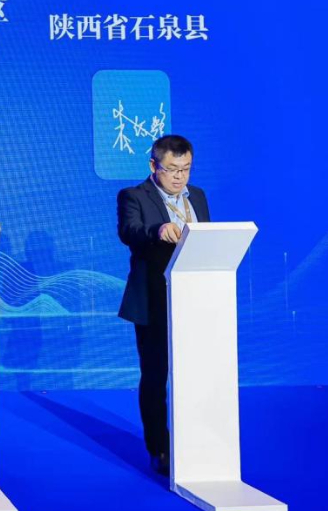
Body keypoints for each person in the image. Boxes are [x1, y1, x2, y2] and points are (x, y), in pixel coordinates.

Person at [117, 134, 210, 476]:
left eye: (186, 169)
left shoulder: (198, 196)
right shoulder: (133, 195)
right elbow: (130, 231)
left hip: (195, 302)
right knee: (156, 377)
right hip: (153, 301)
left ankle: (198, 442)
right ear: (153, 165)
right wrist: (158, 230)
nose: (179, 177)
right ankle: (159, 447)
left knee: (198, 373)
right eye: (171, 169)